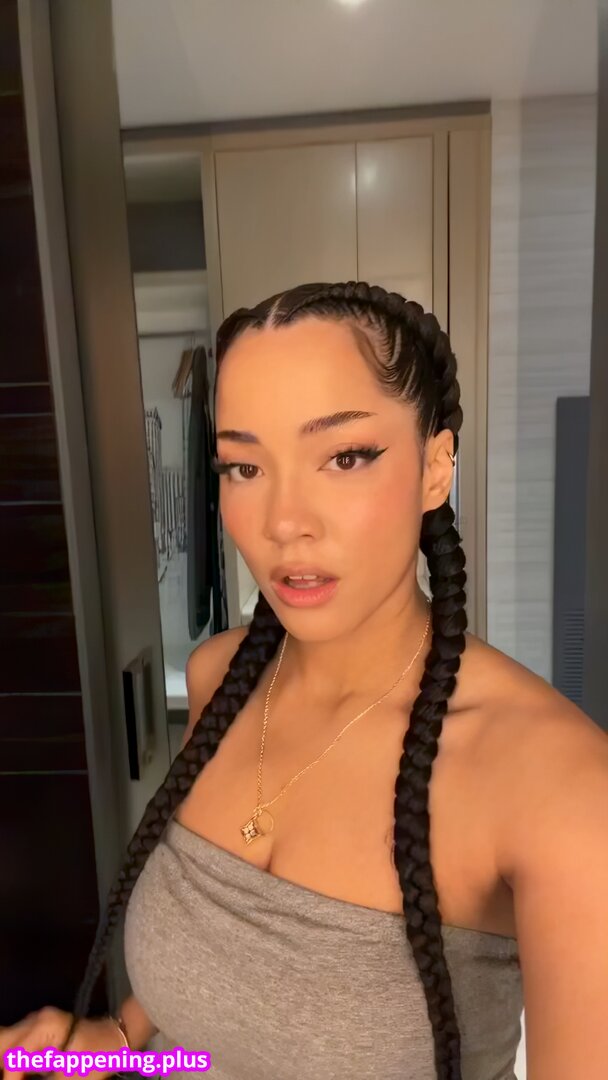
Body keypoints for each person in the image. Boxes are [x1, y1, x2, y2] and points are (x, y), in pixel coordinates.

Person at [2, 281, 607, 1080]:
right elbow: (217, 994)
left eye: (345, 457)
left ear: (435, 467)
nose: (285, 522)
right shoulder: (220, 679)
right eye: (245, 466)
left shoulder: (561, 789)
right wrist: (116, 1040)